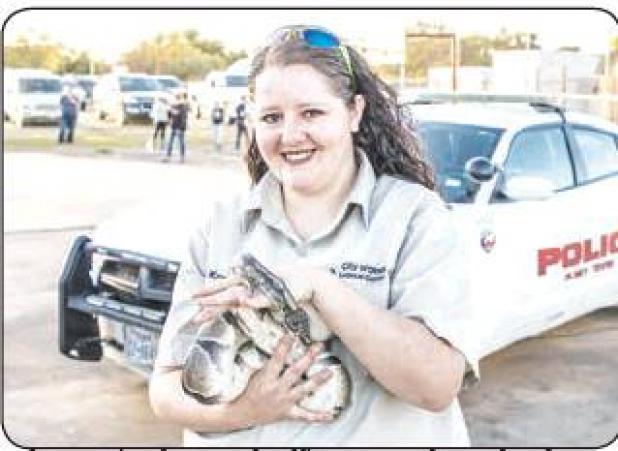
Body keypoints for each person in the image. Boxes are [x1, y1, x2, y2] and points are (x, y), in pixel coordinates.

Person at [149, 25, 477, 447]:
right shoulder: (221, 226)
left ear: (354, 112)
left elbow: (436, 386)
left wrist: (318, 288)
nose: (289, 135)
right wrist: (246, 411)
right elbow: (165, 389)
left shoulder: (416, 217)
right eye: (271, 118)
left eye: (311, 113)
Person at [165, 91, 189, 163]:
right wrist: (169, 112)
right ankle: (168, 156)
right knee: (170, 141)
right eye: (176, 99)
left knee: (181, 142)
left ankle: (182, 157)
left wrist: (180, 127)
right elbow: (170, 115)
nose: (176, 101)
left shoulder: (183, 107)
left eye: (178, 99)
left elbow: (182, 117)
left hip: (180, 127)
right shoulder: (174, 106)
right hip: (174, 126)